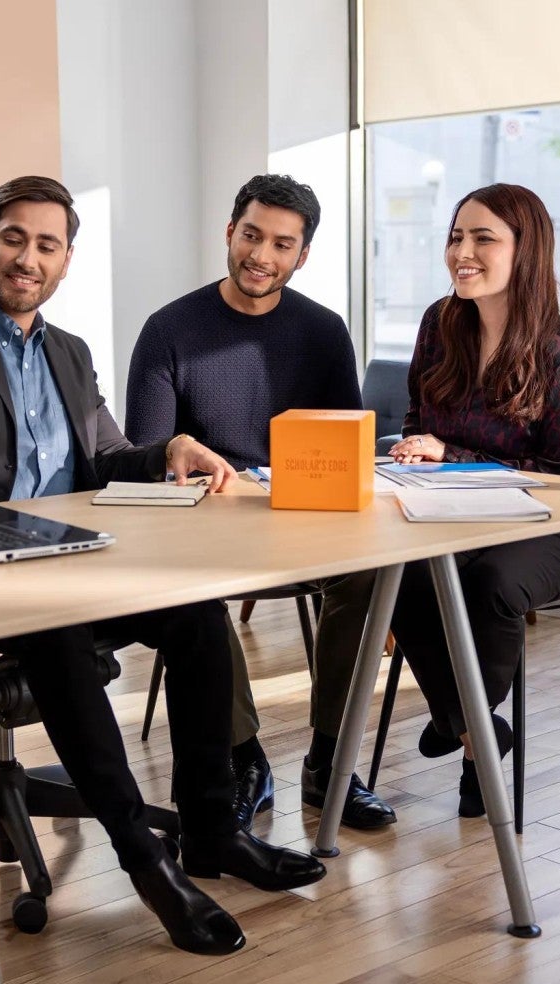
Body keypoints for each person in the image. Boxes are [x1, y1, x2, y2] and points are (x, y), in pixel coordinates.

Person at [0, 175, 325, 956]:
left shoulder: (68, 354)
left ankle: (213, 830)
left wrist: (168, 451)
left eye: (47, 244)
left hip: (72, 561)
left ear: (66, 261)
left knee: (198, 618)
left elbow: (109, 455)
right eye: (13, 237)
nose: (27, 257)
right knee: (57, 636)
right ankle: (145, 858)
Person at [125, 174, 396, 832]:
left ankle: (329, 762)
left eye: (282, 244)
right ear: (229, 232)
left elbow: (345, 452)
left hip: (302, 520)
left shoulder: (324, 331)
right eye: (252, 235)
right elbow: (144, 456)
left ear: (302, 256)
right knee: (190, 594)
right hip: (207, 526)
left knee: (370, 573)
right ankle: (243, 758)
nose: (261, 255)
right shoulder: (168, 330)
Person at [387, 182, 560, 817]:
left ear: (526, 251)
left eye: (483, 238)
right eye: (457, 236)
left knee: (491, 581)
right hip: (458, 517)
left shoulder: (557, 348)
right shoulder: (441, 323)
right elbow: (415, 418)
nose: (463, 250)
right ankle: (474, 732)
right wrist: (412, 450)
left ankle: (464, 738)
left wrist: (450, 456)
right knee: (394, 573)